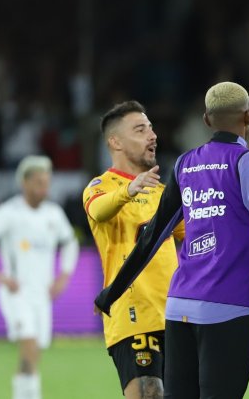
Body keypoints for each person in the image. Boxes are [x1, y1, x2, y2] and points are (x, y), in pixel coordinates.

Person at [94, 82, 249, 399]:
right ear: (248, 117)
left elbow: (151, 236)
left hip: (179, 307)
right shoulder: (248, 161)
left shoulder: (185, 164)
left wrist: (110, 293)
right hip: (226, 305)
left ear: (207, 120)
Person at [83, 101, 180, 399]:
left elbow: (205, 233)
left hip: (176, 314)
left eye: (151, 128)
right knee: (150, 391)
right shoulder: (101, 186)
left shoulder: (163, 193)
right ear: (115, 142)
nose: (152, 135)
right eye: (140, 129)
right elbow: (98, 211)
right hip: (133, 313)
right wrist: (129, 189)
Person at [0, 155, 78, 399]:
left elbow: (71, 243)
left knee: (33, 353)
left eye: (47, 182)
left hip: (42, 295)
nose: (44, 188)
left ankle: (22, 393)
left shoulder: (53, 213)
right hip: (17, 293)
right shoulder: (10, 212)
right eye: (39, 182)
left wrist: (64, 276)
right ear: (25, 183)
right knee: (29, 346)